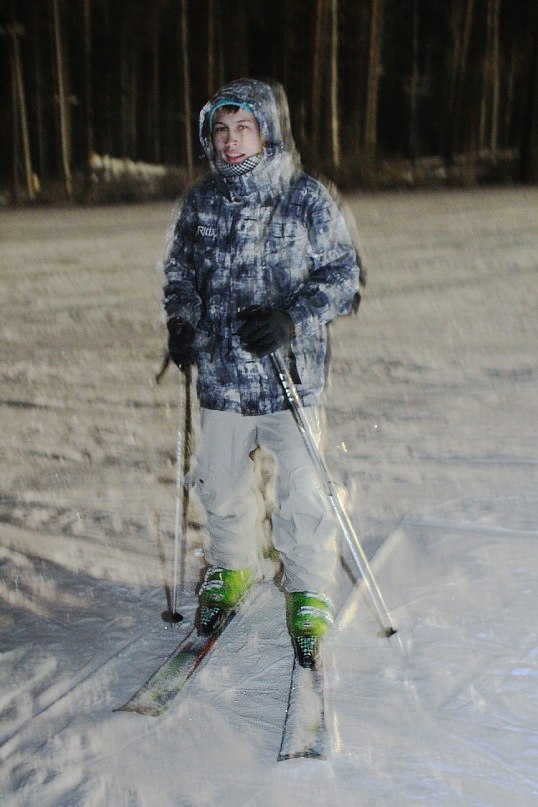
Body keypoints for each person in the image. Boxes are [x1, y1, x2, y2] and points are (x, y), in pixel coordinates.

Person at [163, 78, 361, 667]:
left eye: (242, 128)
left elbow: (343, 279)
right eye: (219, 131)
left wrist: (290, 317)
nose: (229, 142)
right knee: (220, 486)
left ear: (266, 129)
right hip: (222, 376)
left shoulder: (306, 198)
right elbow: (180, 273)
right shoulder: (200, 204)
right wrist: (181, 321)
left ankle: (307, 590)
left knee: (303, 492)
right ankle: (232, 568)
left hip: (288, 379)